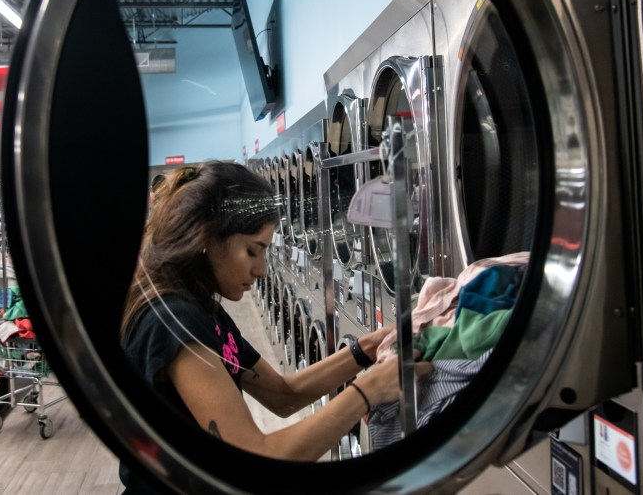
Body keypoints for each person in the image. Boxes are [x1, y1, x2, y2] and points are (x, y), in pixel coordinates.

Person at [120, 161, 429, 493]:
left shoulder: (201, 309)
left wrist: (366, 350)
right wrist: (369, 390)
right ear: (206, 238)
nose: (262, 270)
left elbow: (283, 395)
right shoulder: (173, 320)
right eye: (254, 251)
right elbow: (253, 462)